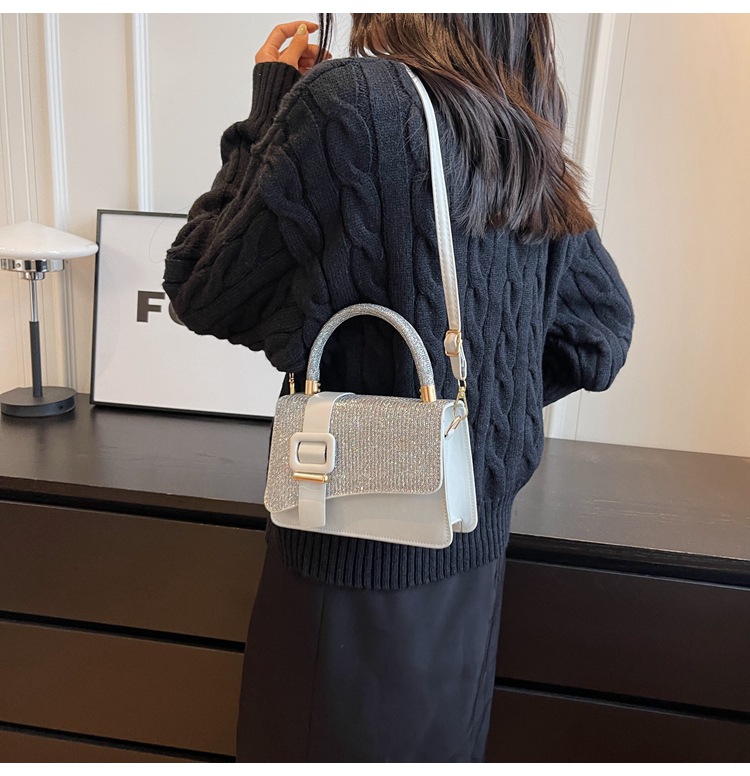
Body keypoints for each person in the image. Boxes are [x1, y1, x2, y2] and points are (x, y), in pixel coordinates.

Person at [163, 13, 634, 762]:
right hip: (474, 570)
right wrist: (463, 416)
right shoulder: (521, 130)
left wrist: (269, 109)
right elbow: (600, 332)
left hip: (350, 575)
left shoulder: (352, 99)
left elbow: (200, 283)